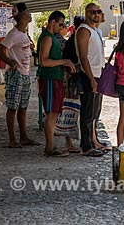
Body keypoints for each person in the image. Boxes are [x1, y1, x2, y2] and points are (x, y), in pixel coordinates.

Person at [0, 3, 40, 148]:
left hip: (25, 73)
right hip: (16, 74)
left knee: (23, 106)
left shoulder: (23, 33)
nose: (30, 14)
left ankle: (24, 136)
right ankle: (12, 139)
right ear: (22, 16)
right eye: (28, 12)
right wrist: (10, 62)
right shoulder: (13, 34)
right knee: (13, 107)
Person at [37, 11, 76, 157]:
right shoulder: (47, 38)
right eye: (60, 24)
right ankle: (49, 146)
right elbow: (43, 61)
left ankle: (51, 145)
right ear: (52, 22)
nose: (61, 27)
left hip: (55, 78)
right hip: (50, 79)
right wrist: (63, 62)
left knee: (54, 112)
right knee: (51, 113)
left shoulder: (51, 37)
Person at [76, 3, 108, 156]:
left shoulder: (97, 30)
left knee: (95, 112)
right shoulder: (84, 30)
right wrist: (91, 79)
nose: (96, 14)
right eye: (93, 12)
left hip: (99, 74)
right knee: (88, 112)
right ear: (87, 13)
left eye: (98, 11)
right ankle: (86, 145)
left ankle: (93, 141)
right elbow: (83, 57)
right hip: (89, 75)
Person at [54, 21, 79, 154]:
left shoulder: (63, 40)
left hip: (62, 79)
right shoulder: (64, 42)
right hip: (67, 80)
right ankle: (68, 140)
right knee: (69, 108)